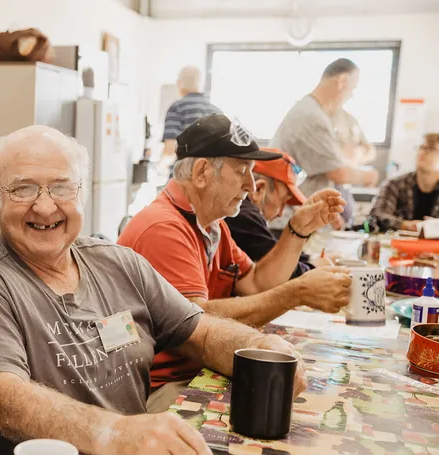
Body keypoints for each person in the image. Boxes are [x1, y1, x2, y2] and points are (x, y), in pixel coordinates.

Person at [0, 125, 306, 455]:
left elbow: (201, 331)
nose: (45, 205)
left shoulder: (119, 263)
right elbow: (2, 400)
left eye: (62, 186)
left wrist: (257, 348)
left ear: (82, 191)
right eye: (22, 188)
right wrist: (116, 433)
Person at [118, 114, 351, 412]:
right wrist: (298, 292)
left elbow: (256, 283)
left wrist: (298, 230)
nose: (251, 184)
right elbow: (194, 321)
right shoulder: (163, 227)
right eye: (242, 171)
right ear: (202, 172)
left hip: (199, 369)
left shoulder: (213, 225)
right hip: (161, 385)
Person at [270, 58, 379, 200]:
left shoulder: (313, 111)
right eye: (353, 89)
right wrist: (369, 176)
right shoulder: (311, 117)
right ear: (342, 81)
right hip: (296, 209)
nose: (351, 95)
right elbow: (339, 173)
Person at [225, 150, 334, 278]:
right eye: (282, 202)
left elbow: (274, 249)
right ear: (259, 190)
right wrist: (314, 268)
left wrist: (310, 259)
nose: (281, 213)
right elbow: (281, 272)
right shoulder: (243, 216)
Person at [158, 65, 222, 172]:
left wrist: (160, 166)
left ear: (179, 83)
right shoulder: (217, 111)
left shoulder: (177, 108)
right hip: (210, 177)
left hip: (184, 176)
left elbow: (170, 150)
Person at [371, 133, 439, 231]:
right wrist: (404, 225)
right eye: (421, 147)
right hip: (396, 244)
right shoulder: (394, 184)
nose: (423, 152)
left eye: (431, 149)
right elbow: (377, 215)